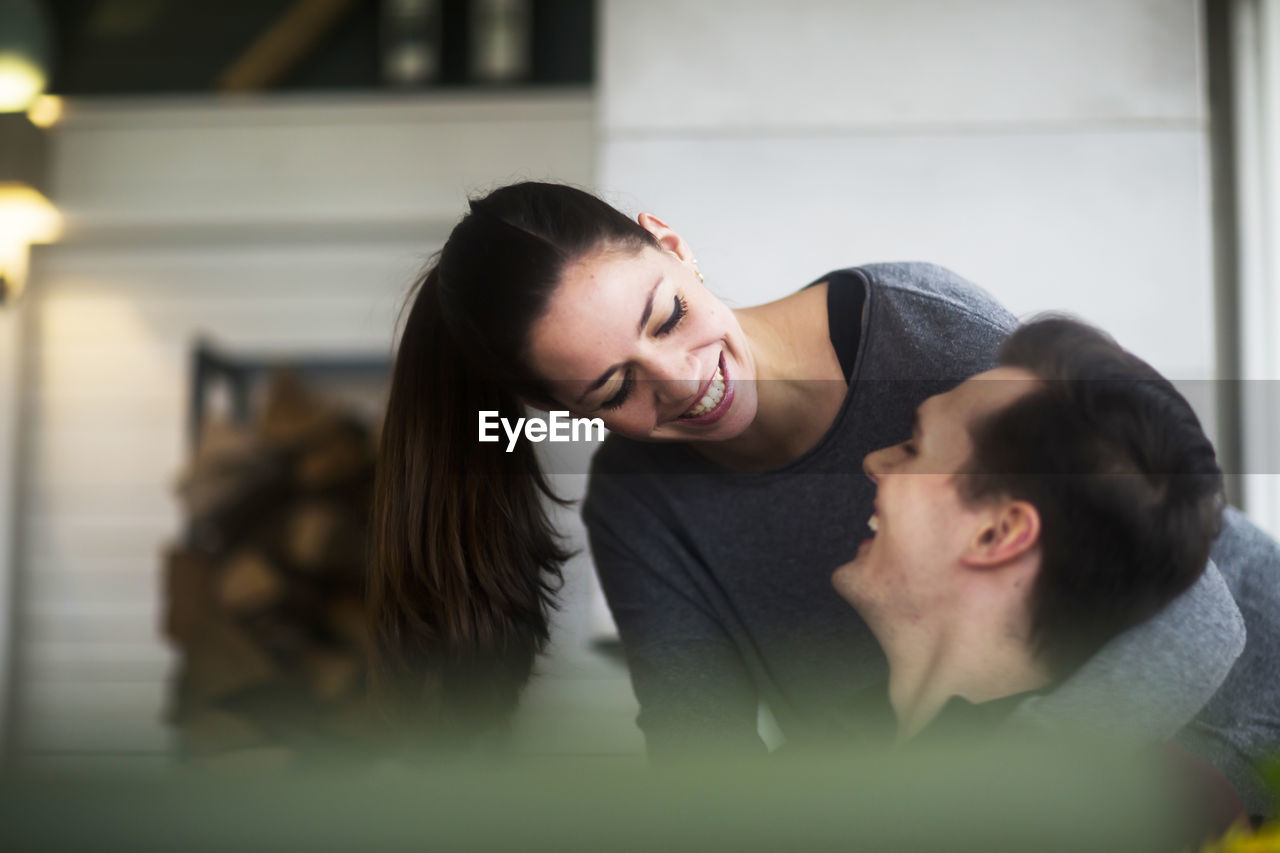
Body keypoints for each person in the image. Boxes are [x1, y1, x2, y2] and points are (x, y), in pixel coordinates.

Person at [367, 182, 1252, 766]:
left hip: (1237, 726)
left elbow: (1200, 619)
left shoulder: (926, 333)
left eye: (668, 316)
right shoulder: (643, 511)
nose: (683, 382)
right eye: (615, 385)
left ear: (669, 241)